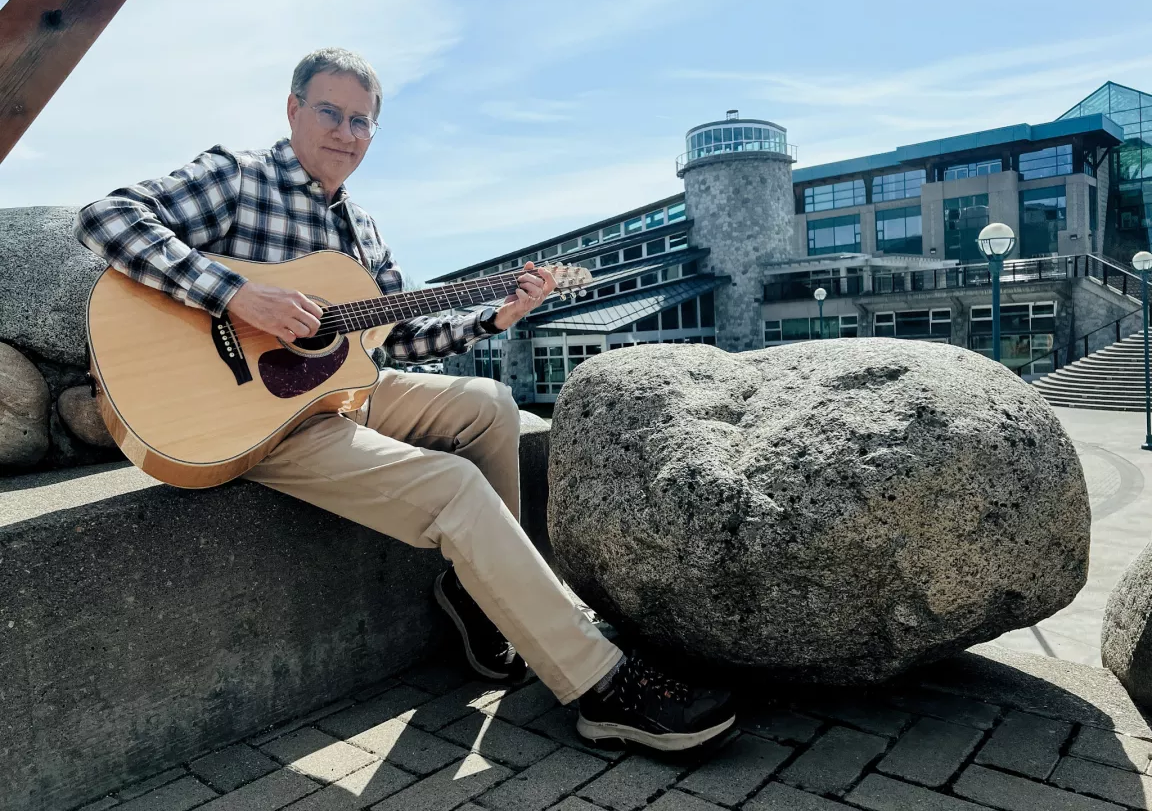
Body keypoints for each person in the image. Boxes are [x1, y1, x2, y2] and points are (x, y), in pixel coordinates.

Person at [74, 47, 735, 751]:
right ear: (293, 109)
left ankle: (484, 597)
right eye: (330, 111)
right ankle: (601, 687)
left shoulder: (361, 230)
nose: (346, 133)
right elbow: (106, 217)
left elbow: (398, 338)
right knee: (451, 486)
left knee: (491, 404)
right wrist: (240, 296)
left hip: (343, 393)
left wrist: (496, 318)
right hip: (257, 420)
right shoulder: (240, 177)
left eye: (362, 122)